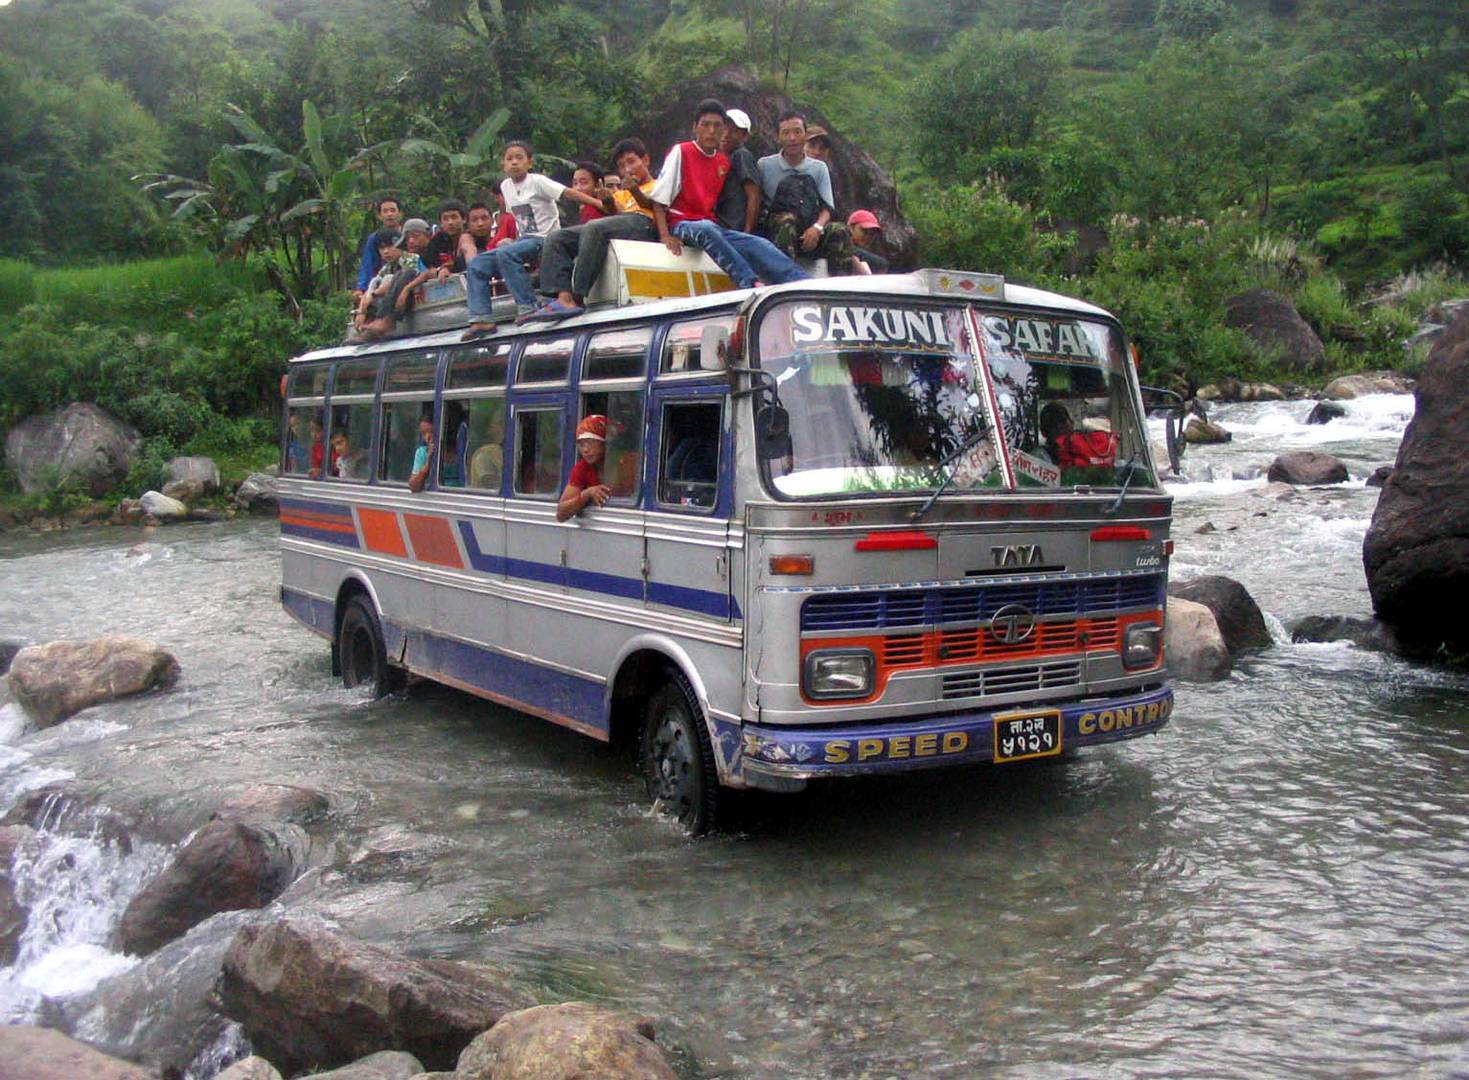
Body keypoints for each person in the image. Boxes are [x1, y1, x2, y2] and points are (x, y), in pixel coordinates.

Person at [650, 98, 808, 291]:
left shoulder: (723, 162)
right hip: (681, 223)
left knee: (758, 243)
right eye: (705, 125)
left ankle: (801, 281)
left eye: (717, 126)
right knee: (706, 227)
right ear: (695, 128)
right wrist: (665, 236)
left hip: (711, 226)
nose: (711, 131)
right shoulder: (681, 151)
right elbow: (658, 201)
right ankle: (748, 282)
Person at [462, 141, 609, 339]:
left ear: (529, 162)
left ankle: (528, 306)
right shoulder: (506, 186)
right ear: (503, 165)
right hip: (524, 242)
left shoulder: (537, 181)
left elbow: (568, 193)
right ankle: (482, 318)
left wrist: (599, 203)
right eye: (509, 159)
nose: (514, 163)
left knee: (507, 253)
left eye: (519, 158)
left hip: (546, 240)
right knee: (478, 263)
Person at [525, 138, 659, 321]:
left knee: (593, 227)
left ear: (646, 160)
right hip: (624, 222)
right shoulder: (621, 192)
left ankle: (578, 296)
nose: (627, 169)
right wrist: (609, 201)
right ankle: (563, 298)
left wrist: (635, 190)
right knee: (557, 237)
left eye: (632, 161)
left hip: (646, 224)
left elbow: (652, 206)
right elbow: (615, 215)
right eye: (622, 165)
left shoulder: (658, 184)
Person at [757, 110, 854, 273]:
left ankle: (839, 287)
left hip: (810, 229)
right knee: (786, 220)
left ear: (804, 134)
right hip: (778, 230)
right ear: (778, 137)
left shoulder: (818, 168)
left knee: (840, 230)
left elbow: (828, 208)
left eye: (797, 132)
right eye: (786, 133)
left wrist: (817, 227)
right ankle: (785, 281)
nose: (792, 138)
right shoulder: (765, 166)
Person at [556, 414, 612, 521]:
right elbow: (561, 514)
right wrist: (587, 494)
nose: (585, 450)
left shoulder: (625, 462)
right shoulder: (582, 468)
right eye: (581, 445)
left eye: (590, 443)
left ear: (604, 444)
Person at [715, 107, 762, 234]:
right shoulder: (717, 158)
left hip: (733, 229)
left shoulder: (741, 155)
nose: (726, 135)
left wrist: (747, 233)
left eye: (733, 131)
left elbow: (754, 196)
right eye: (723, 129)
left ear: (745, 136)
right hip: (718, 226)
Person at [353, 196, 403, 304]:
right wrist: (361, 288)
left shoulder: (408, 233)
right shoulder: (374, 238)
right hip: (383, 281)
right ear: (379, 216)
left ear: (400, 213)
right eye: (385, 211)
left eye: (393, 210)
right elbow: (368, 264)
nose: (389, 214)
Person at [1039, 402, 1117, 467]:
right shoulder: (1094, 441)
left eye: (1062, 423)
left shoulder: (1038, 458)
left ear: (1043, 432)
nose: (1059, 428)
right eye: (1054, 425)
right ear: (1071, 424)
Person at [425, 199, 468, 275]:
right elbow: (431, 269)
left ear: (464, 219)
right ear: (441, 223)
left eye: (454, 217)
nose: (450, 222)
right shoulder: (436, 241)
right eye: (445, 219)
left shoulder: (472, 238)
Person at [847, 209, 889, 274]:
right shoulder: (841, 246)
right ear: (851, 228)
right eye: (864, 231)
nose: (868, 236)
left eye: (872, 234)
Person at [458, 202, 497, 266]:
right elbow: (468, 250)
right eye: (474, 220)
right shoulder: (466, 241)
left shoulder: (497, 241)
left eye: (484, 218)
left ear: (492, 221)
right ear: (468, 225)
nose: (480, 224)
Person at [408, 414, 435, 492]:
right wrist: (428, 462)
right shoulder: (421, 452)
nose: (428, 437)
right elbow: (413, 486)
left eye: (431, 432)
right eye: (424, 433)